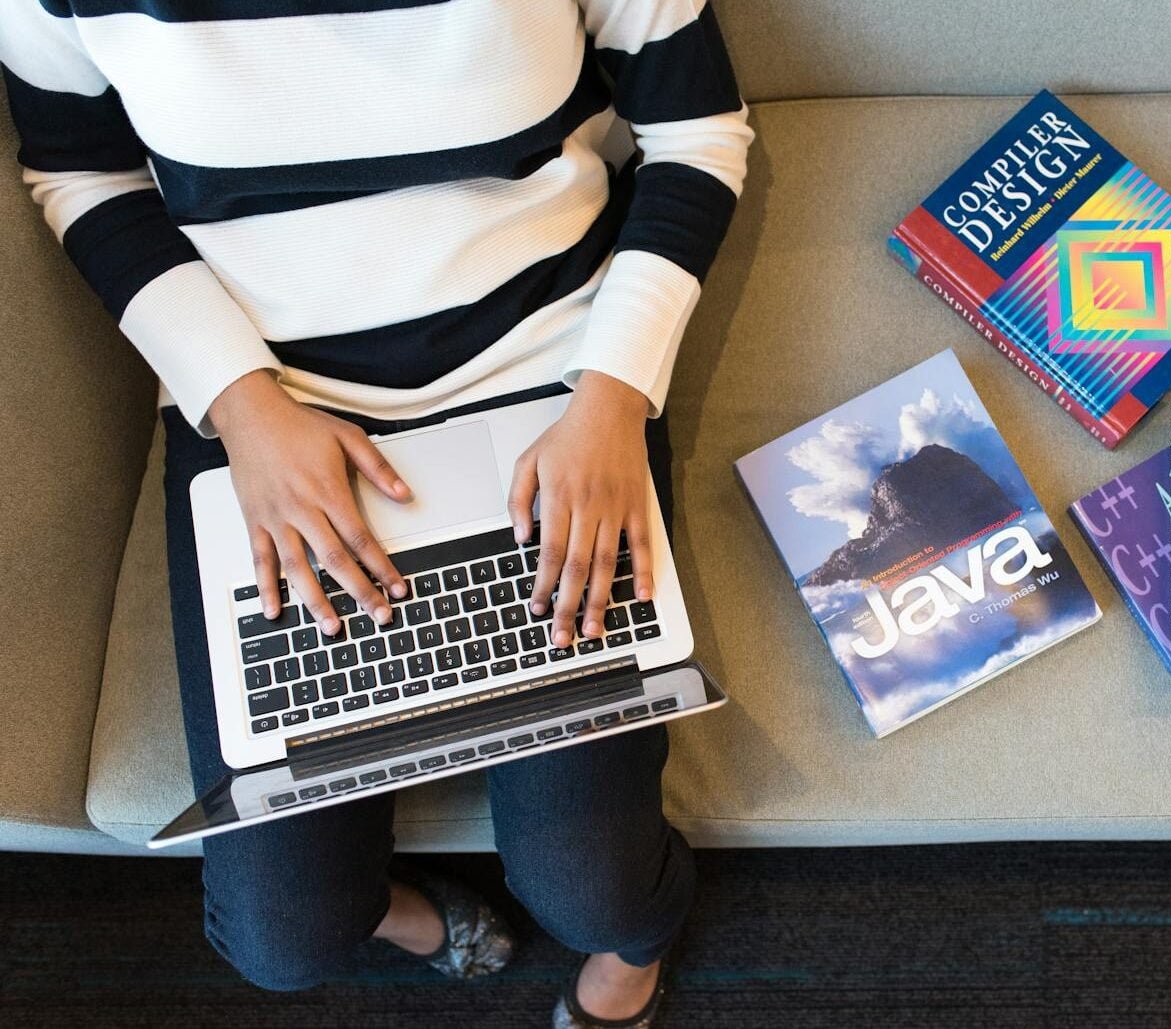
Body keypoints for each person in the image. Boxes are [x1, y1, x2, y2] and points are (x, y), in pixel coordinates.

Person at [0, 0, 751, 1023]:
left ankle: (635, 949)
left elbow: (696, 130)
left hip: (552, 383)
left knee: (594, 886)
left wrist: (614, 395)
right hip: (267, 409)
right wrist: (242, 406)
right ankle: (406, 914)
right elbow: (83, 170)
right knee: (282, 939)